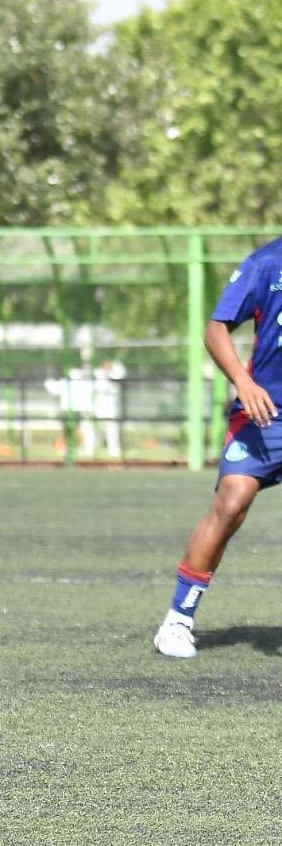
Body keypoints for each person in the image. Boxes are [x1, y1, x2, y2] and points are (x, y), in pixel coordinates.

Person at [154, 244, 282, 658]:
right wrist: (243, 383)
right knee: (231, 504)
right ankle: (177, 621)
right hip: (266, 412)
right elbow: (215, 329)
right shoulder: (266, 263)